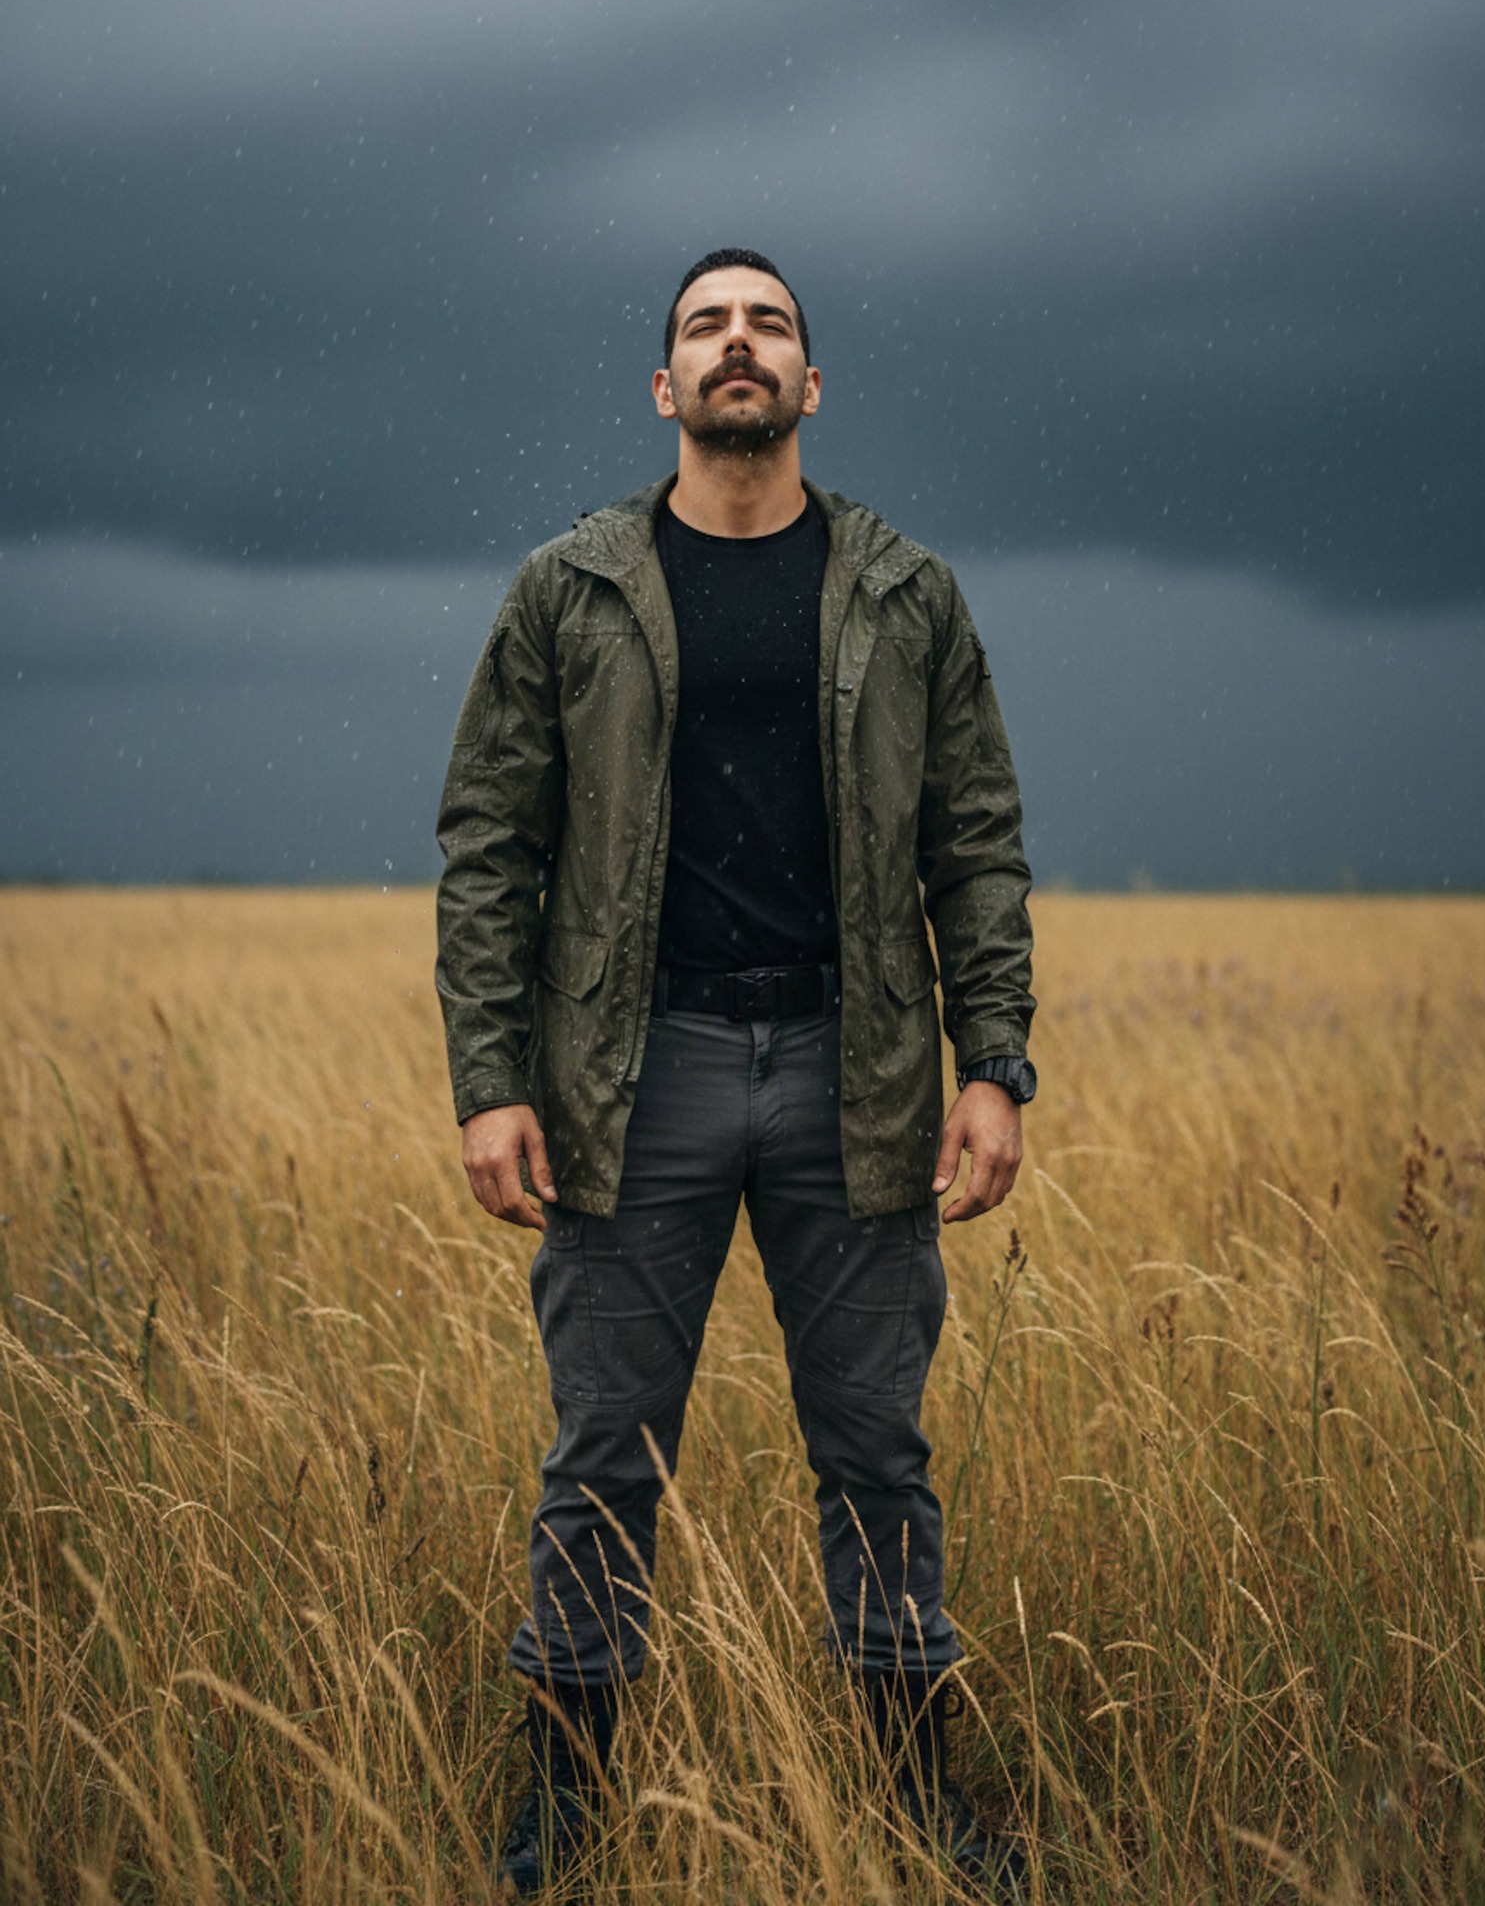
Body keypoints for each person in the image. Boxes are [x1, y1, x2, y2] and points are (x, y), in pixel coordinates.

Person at [435, 249, 1036, 1895]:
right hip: (640, 1078)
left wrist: (995, 1062)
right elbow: (491, 843)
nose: (739, 345)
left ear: (811, 383)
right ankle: (561, 1816)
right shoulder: (573, 591)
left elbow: (977, 840)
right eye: (707, 325)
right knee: (603, 1458)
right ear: (666, 387)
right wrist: (491, 1079)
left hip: (864, 1072)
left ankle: (921, 1808)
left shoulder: (906, 594)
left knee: (876, 1457)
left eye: (768, 323)